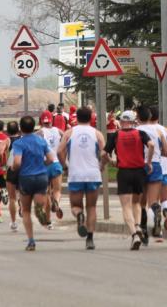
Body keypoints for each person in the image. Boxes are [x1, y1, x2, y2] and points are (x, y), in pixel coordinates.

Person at [103, 109, 154, 250]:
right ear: (133, 121)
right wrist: (148, 162)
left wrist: (110, 161)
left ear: (122, 121)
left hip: (124, 172)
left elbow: (103, 152)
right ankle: (138, 226)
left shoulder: (115, 135)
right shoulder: (140, 133)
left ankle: (134, 234)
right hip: (139, 171)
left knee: (126, 206)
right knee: (137, 204)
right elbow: (152, 145)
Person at [59, 106, 105, 250]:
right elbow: (105, 153)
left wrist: (65, 166)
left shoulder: (69, 133)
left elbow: (60, 151)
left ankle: (79, 215)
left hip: (76, 174)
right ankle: (90, 239)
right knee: (92, 207)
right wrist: (102, 165)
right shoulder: (97, 134)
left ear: (76, 118)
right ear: (91, 117)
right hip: (93, 174)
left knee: (76, 206)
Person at [11, 115, 56, 251]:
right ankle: (40, 211)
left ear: (21, 128)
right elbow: (50, 158)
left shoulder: (18, 143)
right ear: (34, 126)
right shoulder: (41, 141)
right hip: (41, 176)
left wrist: (14, 168)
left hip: (26, 177)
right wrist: (42, 164)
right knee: (39, 204)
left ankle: (31, 241)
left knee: (25, 210)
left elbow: (17, 162)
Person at [137, 105, 167, 241]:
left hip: (140, 166)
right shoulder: (158, 131)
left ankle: (143, 229)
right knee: (153, 201)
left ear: (138, 118)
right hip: (156, 165)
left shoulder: (135, 131)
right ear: (150, 117)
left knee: (140, 202)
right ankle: (156, 213)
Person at [39, 111, 64, 226]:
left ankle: (47, 218)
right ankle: (57, 202)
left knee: (46, 192)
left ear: (41, 121)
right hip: (56, 163)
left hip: (44, 164)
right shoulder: (58, 131)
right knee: (57, 190)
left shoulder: (39, 132)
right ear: (51, 120)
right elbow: (66, 139)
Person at [4, 121, 22, 232]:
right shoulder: (22, 139)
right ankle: (21, 205)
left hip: (11, 168)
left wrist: (3, 163)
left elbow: (0, 152)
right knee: (21, 193)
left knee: (11, 198)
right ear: (18, 129)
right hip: (22, 167)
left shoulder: (7, 140)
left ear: (8, 131)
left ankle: (14, 222)